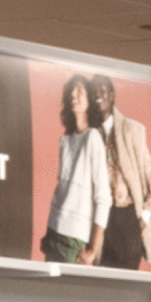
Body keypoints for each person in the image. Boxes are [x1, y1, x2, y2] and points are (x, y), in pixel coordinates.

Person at [87, 74, 151, 271]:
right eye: (94, 89)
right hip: (104, 222)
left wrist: (141, 221)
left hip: (129, 218)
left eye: (103, 89)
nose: (98, 94)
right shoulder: (91, 136)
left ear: (112, 96)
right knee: (104, 286)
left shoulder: (132, 130)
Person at [41, 73, 109, 266]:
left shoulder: (93, 138)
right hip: (54, 232)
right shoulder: (65, 140)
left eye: (79, 90)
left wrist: (92, 250)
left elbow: (104, 198)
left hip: (75, 240)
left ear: (89, 98)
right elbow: (62, 190)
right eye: (71, 90)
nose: (74, 94)